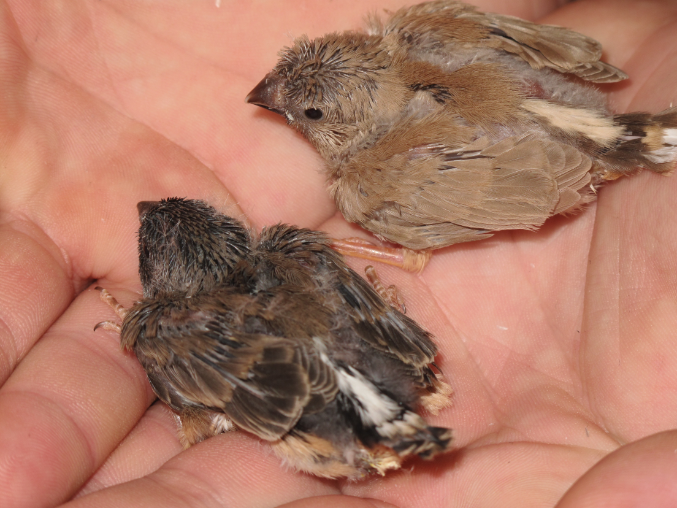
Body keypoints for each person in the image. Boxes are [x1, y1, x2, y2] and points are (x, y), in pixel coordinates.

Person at [1, 1, 676, 506]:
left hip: (552, 156)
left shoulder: (367, 183)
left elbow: (517, 181)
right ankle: (644, 138)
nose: (271, 99)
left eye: (310, 114)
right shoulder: (418, 29)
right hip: (579, 113)